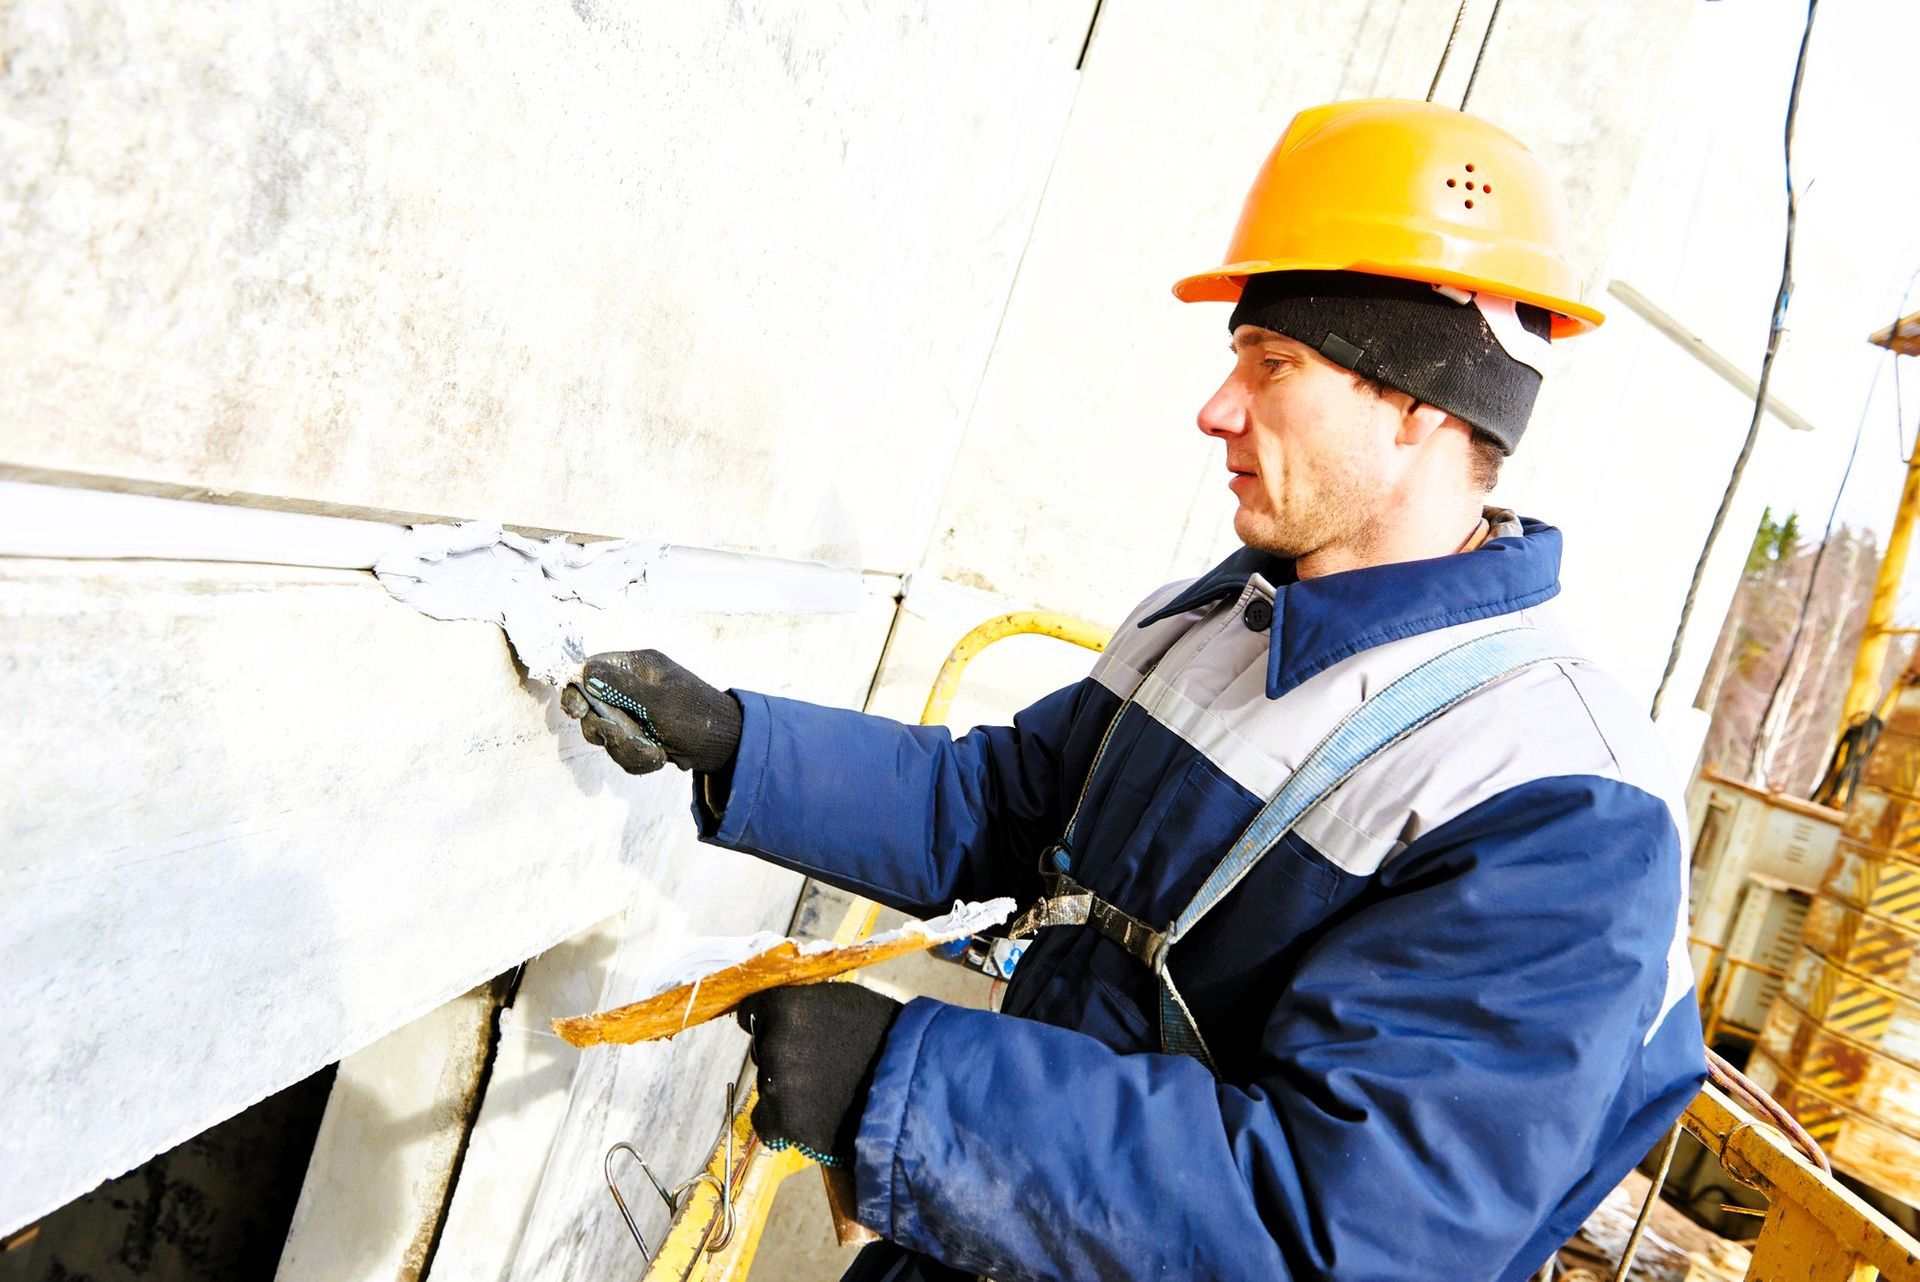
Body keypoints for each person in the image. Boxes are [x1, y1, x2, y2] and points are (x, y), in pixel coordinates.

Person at [562, 99, 1706, 1282]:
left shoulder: (1559, 804)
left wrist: (907, 1084)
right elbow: (1003, 809)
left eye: (1274, 365)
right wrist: (740, 744)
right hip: (992, 1238)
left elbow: (1347, 1233)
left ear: (1419, 407)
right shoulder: (1219, 619)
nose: (1217, 409)